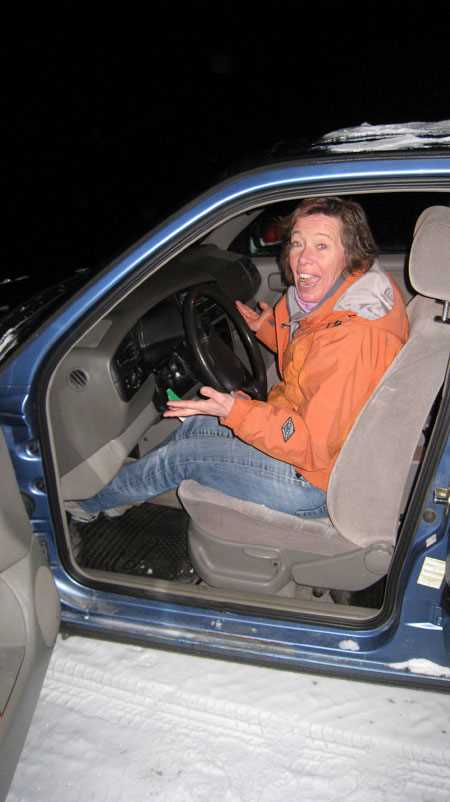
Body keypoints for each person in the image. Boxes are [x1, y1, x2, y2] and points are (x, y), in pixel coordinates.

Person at [67, 196, 409, 524]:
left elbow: (310, 445)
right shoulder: (348, 299)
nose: (303, 260)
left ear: (350, 253)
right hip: (319, 448)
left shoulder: (353, 338)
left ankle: (84, 506)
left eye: (322, 246)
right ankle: (122, 495)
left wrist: (237, 411)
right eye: (297, 243)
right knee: (197, 427)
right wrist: (268, 330)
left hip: (315, 482)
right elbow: (313, 361)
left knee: (181, 459)